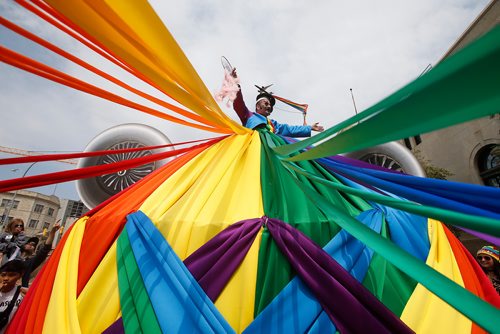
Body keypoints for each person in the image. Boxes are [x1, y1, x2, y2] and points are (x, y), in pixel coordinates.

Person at [231, 69, 324, 137]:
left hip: (271, 151)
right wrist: (235, 84)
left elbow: (289, 129)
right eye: (266, 104)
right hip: (254, 149)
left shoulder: (273, 124)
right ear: (258, 106)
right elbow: (238, 103)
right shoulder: (248, 116)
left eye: (270, 106)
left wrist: (309, 128)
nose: (269, 107)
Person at [19, 222, 60, 288]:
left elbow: (45, 249)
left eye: (33, 245)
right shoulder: (9, 255)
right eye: (29, 243)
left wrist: (52, 232)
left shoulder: (31, 262)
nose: (31, 245)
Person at [0, 260, 25, 334]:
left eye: (11, 275)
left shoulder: (22, 293)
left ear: (20, 275)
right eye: (3, 275)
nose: (6, 278)